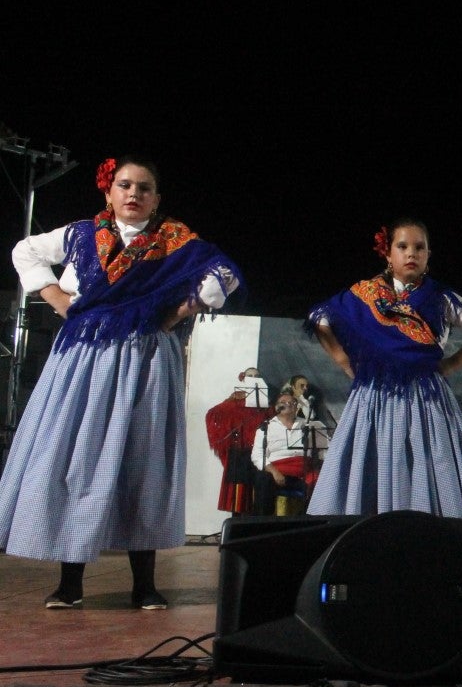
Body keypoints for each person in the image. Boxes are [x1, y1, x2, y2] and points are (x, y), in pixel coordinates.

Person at [0, 156, 242, 609]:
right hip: (84, 358)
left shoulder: (176, 241)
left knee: (142, 461)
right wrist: (59, 301)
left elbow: (222, 275)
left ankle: (145, 585)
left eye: (144, 188)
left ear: (156, 198)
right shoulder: (81, 234)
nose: (134, 194)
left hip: (145, 357)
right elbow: (25, 251)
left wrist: (177, 312)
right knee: (78, 460)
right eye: (125, 186)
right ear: (108, 192)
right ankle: (70, 583)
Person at [306, 219, 462, 516]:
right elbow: (320, 318)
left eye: (419, 248)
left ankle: (428, 534)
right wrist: (345, 362)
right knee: (375, 460)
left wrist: (449, 365)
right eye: (403, 247)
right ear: (388, 254)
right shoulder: (365, 294)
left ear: (428, 255)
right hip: (374, 395)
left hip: (426, 396)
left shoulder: (440, 297)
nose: (411, 254)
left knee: (428, 459)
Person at [205, 371, 275, 515]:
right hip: (240, 453)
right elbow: (214, 414)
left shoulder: (265, 404)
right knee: (239, 497)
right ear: (243, 379)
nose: (254, 378)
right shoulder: (233, 401)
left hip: (260, 453)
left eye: (257, 376)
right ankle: (237, 529)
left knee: (259, 496)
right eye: (250, 376)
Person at [251, 392, 327, 514]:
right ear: (277, 407)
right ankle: (263, 524)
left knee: (322, 482)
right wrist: (274, 472)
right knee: (263, 479)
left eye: (292, 402)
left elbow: (323, 448)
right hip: (278, 472)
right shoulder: (266, 427)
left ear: (297, 407)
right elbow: (257, 455)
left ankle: (312, 525)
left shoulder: (307, 425)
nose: (288, 404)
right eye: (283, 403)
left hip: (304, 471)